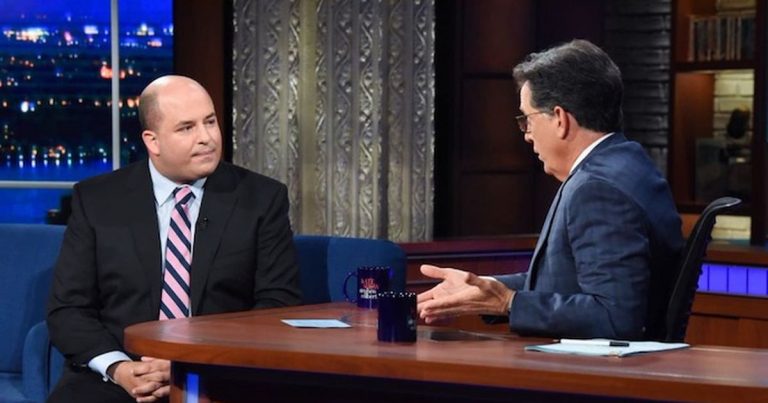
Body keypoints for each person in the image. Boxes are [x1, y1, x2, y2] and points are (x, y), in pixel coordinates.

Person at [47, 75, 301, 402]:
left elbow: (277, 305)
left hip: (220, 373)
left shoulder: (262, 198)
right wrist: (119, 368)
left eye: (210, 122)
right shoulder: (97, 200)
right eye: (186, 128)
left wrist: (196, 362)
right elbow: (68, 309)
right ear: (152, 141)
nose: (206, 138)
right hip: (119, 375)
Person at [417, 40, 683, 340]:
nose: (527, 135)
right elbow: (564, 282)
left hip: (594, 368)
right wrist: (486, 288)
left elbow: (614, 317)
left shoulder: (597, 188)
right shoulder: (626, 162)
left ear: (560, 119)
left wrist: (508, 302)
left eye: (527, 120)